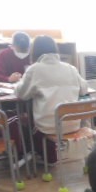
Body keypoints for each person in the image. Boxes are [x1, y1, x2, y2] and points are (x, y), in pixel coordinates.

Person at [14, 35, 88, 163]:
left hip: (48, 126)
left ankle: (38, 155)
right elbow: (84, 89)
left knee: (26, 118)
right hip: (73, 123)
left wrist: (18, 83)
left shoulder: (34, 69)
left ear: (34, 51)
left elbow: (21, 94)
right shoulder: (70, 68)